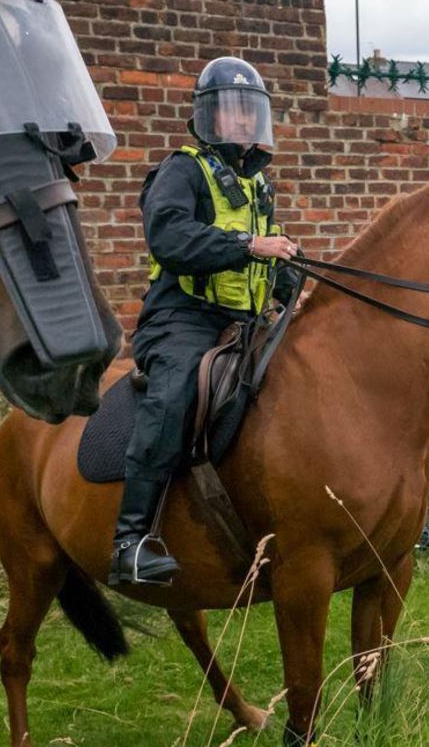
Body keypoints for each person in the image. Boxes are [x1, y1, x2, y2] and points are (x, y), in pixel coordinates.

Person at [114, 56, 298, 586]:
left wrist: (288, 284)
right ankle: (130, 541)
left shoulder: (258, 186)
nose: (241, 122)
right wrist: (249, 245)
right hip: (182, 319)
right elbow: (169, 239)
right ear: (206, 117)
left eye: (249, 113)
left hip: (243, 321)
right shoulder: (182, 171)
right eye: (230, 112)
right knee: (172, 395)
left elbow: (269, 256)